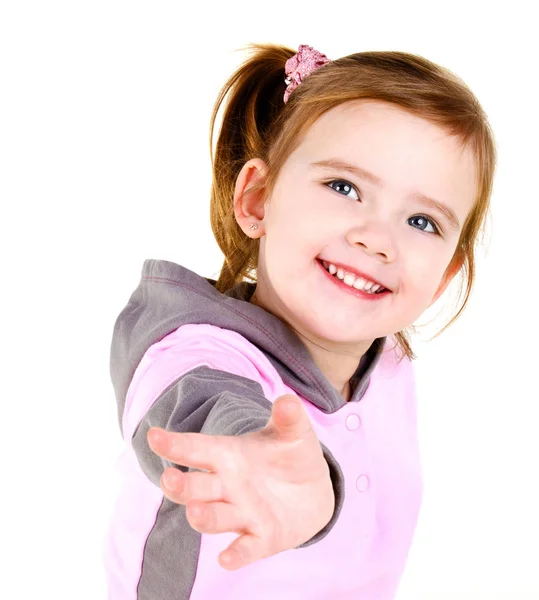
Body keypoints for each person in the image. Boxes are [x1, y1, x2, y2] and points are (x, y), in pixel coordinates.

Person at [105, 43, 496, 599]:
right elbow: (201, 406)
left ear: (446, 272)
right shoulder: (193, 352)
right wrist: (256, 447)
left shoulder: (388, 363)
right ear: (259, 199)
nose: (377, 238)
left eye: (422, 220)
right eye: (345, 188)